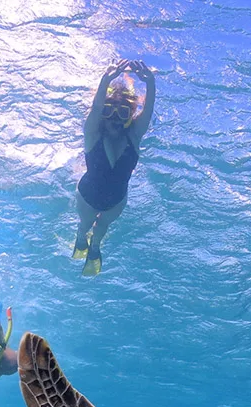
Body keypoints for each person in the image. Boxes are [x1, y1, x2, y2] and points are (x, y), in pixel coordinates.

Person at [73, 58, 156, 276]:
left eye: (123, 113)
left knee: (100, 230)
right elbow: (97, 106)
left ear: (130, 116)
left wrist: (150, 84)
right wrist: (105, 80)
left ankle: (95, 247)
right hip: (87, 196)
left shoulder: (134, 137)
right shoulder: (92, 135)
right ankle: (81, 240)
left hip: (117, 201)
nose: (115, 119)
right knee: (85, 225)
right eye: (110, 111)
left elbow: (147, 112)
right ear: (102, 114)